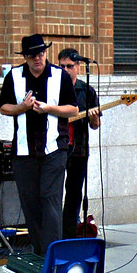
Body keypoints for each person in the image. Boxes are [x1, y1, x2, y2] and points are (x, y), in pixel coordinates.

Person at [0, 35, 77, 255]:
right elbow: (3, 107)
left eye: (41, 54)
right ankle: (40, 250)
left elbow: (73, 110)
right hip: (23, 150)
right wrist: (22, 107)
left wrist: (50, 108)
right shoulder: (14, 76)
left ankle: (53, 252)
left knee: (50, 200)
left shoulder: (59, 76)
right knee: (30, 203)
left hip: (54, 148)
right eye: (32, 55)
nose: (38, 59)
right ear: (25, 57)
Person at [57, 48, 101, 239]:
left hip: (79, 149)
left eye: (69, 66)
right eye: (62, 66)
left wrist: (93, 118)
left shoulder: (87, 90)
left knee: (74, 194)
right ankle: (54, 233)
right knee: (54, 193)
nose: (65, 70)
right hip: (56, 148)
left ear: (78, 66)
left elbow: (95, 126)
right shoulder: (53, 89)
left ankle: (69, 235)